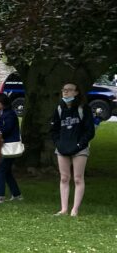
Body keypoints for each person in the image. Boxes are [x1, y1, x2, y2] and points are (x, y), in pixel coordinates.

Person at [50, 82, 95, 217]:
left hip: (79, 148)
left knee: (77, 178)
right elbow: (54, 130)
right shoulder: (59, 109)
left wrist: (79, 145)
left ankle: (74, 209)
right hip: (62, 147)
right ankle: (64, 209)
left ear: (76, 92)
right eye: (64, 90)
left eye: (70, 90)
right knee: (64, 178)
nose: (66, 92)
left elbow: (89, 131)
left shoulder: (83, 109)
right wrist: (58, 144)